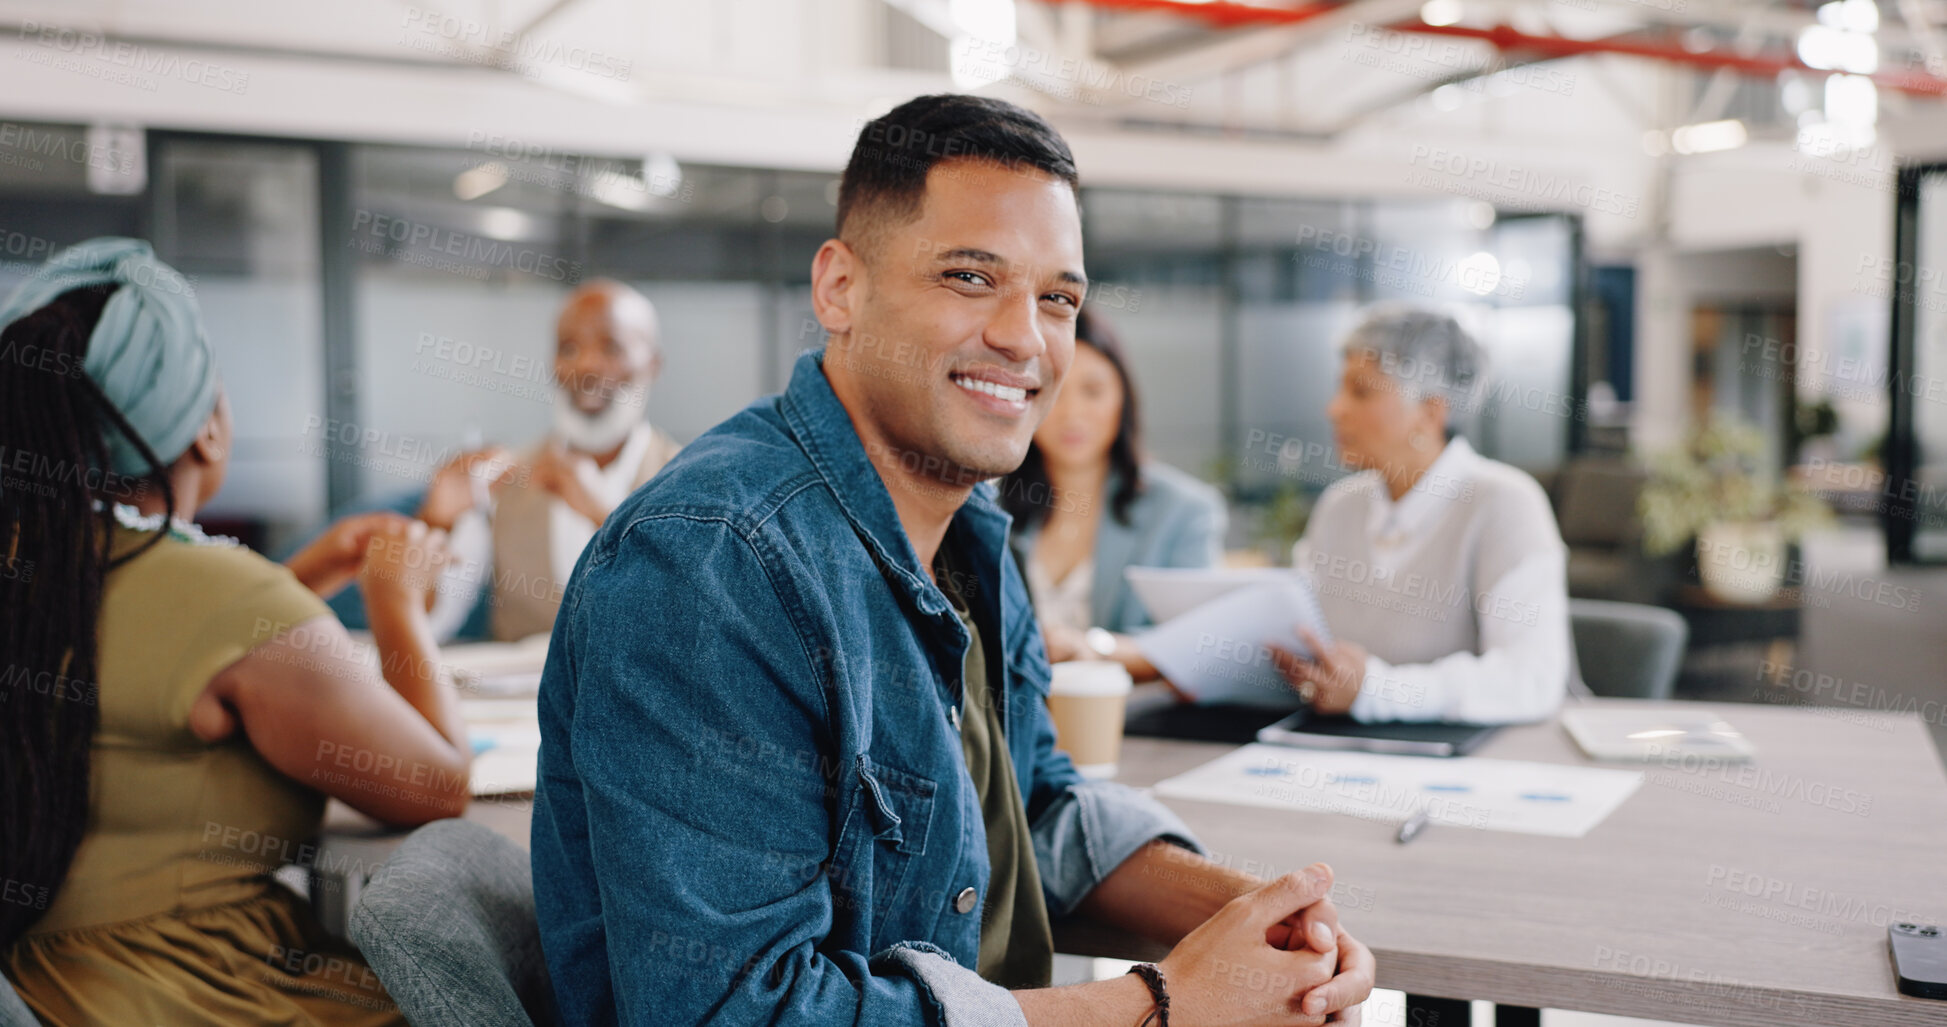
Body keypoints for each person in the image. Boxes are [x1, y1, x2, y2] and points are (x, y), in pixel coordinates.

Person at [531, 94, 1373, 1026]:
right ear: (839, 288)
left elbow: (1035, 806)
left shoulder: (967, 530)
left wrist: (1253, 917)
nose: (1025, 336)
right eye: (971, 277)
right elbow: (732, 1010)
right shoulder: (710, 563)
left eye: (1058, 297)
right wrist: (1158, 1002)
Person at [0, 239, 469, 1026]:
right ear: (208, 432)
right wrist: (398, 604)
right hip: (193, 986)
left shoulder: (37, 565)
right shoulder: (214, 598)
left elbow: (170, 642)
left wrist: (292, 581)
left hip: (43, 982)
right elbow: (436, 786)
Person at [330, 278, 681, 643]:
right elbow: (432, 623)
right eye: (568, 348)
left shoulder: (689, 480)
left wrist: (601, 515)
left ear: (653, 364)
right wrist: (438, 521)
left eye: (611, 347)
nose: (587, 366)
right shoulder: (507, 477)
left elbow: (691, 616)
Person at [1272, 304, 1571, 724]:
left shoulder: (1505, 504)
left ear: (1431, 412)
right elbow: (1305, 638)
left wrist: (1377, 691)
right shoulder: (1340, 506)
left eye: (1361, 391)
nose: (1335, 409)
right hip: (1344, 751)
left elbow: (1530, 679)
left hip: (1478, 763)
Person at [1000, 308, 1226, 685]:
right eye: (1053, 389)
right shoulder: (987, 507)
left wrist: (1092, 648)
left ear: (1123, 396)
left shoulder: (1183, 511)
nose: (1072, 413)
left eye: (1092, 391)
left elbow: (1194, 646)